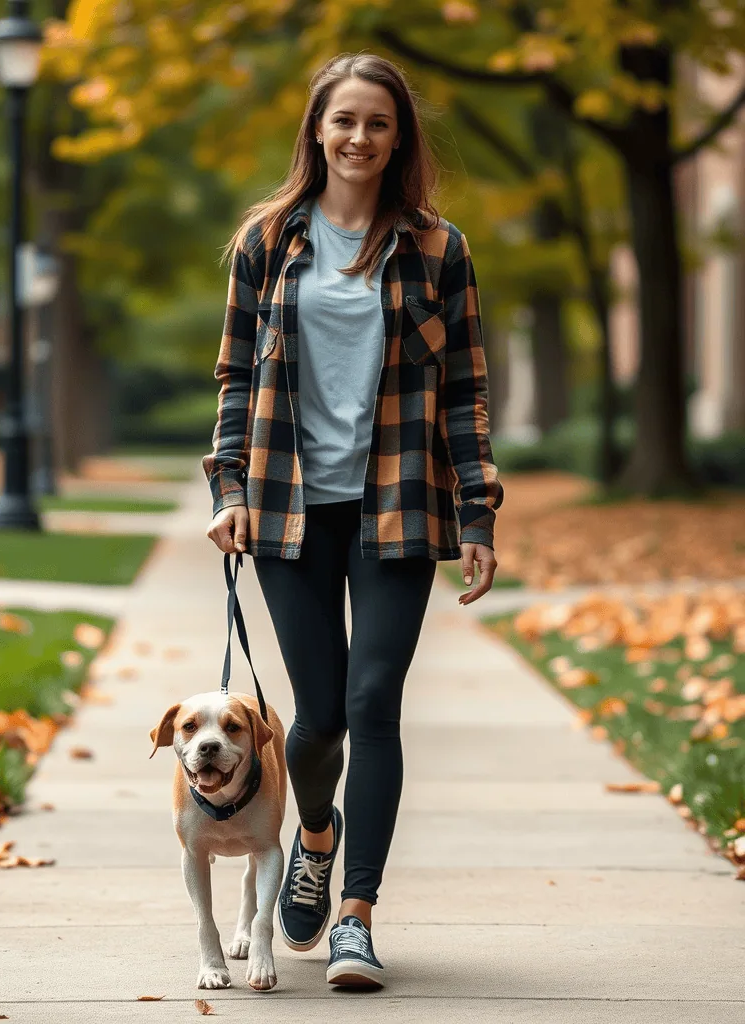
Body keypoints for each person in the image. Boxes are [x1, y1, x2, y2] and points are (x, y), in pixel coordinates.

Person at [204, 51, 503, 990]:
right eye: (344, 121)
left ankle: (356, 918)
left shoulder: (438, 248)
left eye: (378, 122)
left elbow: (464, 390)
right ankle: (316, 836)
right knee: (318, 719)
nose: (360, 137)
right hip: (289, 511)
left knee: (375, 706)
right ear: (317, 131)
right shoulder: (267, 242)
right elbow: (235, 378)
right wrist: (228, 494)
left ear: (398, 136)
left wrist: (480, 510)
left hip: (397, 504)